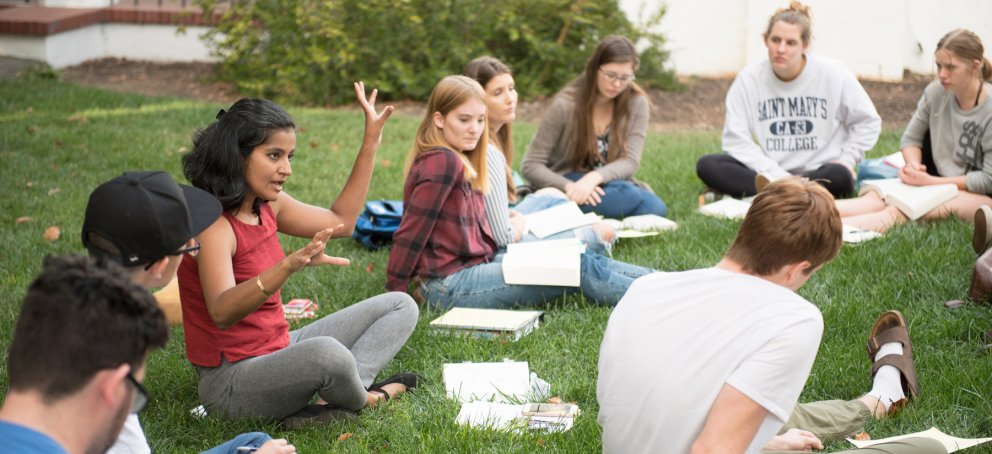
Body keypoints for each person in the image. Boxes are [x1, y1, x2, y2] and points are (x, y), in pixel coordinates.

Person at [597, 178, 938, 454]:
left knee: (766, 412)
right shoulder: (795, 319)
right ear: (796, 270)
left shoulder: (646, 287)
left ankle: (877, 400)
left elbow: (659, 403)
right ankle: (881, 399)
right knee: (918, 451)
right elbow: (712, 450)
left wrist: (762, 443)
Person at [177, 84, 419, 426]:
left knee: (400, 305)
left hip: (279, 348)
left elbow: (342, 223)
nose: (287, 169)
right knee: (328, 354)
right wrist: (286, 266)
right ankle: (366, 399)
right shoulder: (214, 226)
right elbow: (221, 311)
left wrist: (371, 142)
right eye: (274, 155)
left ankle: (329, 402)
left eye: (289, 156)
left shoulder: (267, 205)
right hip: (231, 383)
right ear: (238, 155)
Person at [386, 75, 652, 310]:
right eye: (464, 120)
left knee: (576, 257)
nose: (474, 129)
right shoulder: (442, 163)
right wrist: (394, 297)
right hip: (449, 286)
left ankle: (664, 283)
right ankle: (662, 294)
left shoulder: (461, 156)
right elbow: (411, 233)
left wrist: (511, 219)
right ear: (439, 119)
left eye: (480, 120)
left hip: (476, 264)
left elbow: (469, 226)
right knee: (575, 270)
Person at [81, 170, 294, 453]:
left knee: (252, 441)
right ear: (159, 265)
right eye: (188, 245)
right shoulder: (118, 347)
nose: (192, 252)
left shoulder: (71, 305)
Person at [695, 0, 881, 198]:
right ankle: (793, 192)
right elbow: (735, 140)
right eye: (775, 40)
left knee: (840, 176)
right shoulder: (748, 80)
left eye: (790, 42)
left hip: (820, 172)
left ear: (805, 45)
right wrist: (779, 175)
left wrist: (846, 159)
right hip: (771, 172)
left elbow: (867, 121)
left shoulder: (834, 74)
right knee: (708, 165)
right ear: (766, 40)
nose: (781, 49)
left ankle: (775, 194)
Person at [838, 29, 992, 237]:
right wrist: (913, 167)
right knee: (875, 199)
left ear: (975, 67)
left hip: (981, 196)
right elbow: (911, 139)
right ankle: (806, 216)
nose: (942, 74)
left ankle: (822, 232)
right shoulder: (935, 92)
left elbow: (987, 180)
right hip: (935, 181)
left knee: (901, 209)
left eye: (951, 67)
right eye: (938, 65)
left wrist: (929, 181)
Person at [463, 56, 615, 254]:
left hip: (504, 225)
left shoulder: (496, 138)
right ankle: (580, 231)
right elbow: (497, 233)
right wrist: (518, 223)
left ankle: (577, 228)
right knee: (603, 233)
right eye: (498, 92)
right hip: (493, 240)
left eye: (511, 88)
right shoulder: (480, 148)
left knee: (552, 194)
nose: (510, 98)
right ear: (477, 100)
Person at [520, 35, 668, 219]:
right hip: (567, 180)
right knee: (629, 196)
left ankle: (563, 212)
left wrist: (593, 179)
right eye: (610, 75)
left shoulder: (636, 104)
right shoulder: (566, 105)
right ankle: (556, 205)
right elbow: (531, 165)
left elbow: (630, 162)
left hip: (608, 181)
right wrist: (570, 187)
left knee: (653, 207)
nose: (616, 84)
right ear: (595, 69)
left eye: (625, 77)